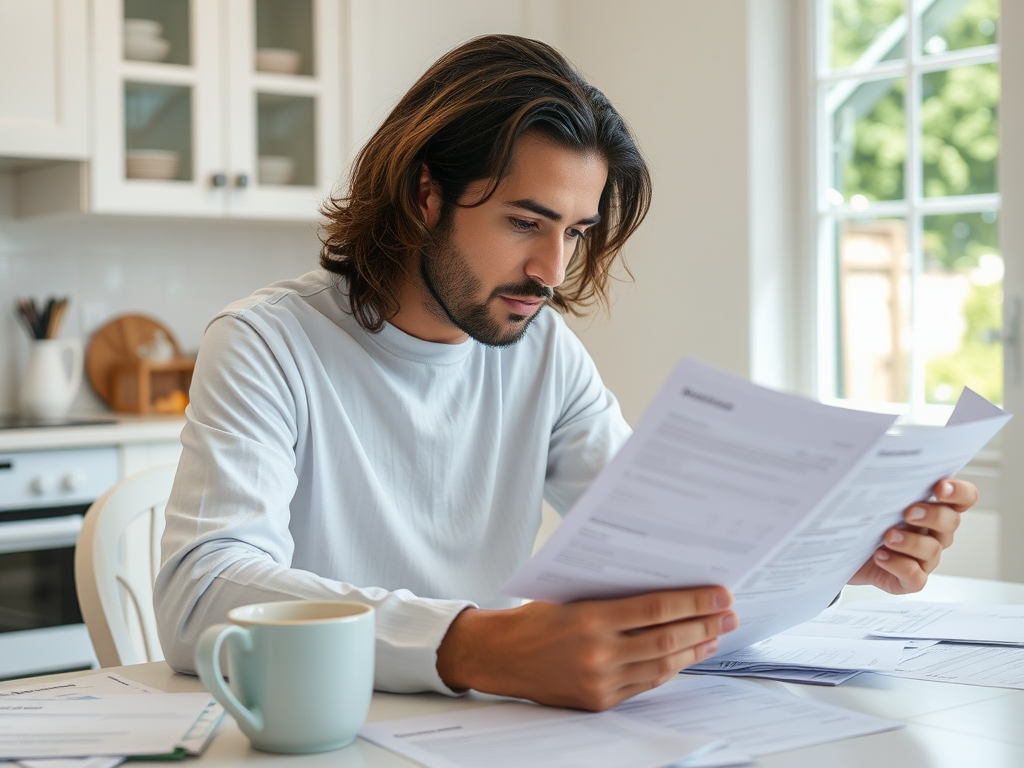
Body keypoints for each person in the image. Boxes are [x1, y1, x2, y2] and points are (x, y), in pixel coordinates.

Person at [154, 34, 979, 712]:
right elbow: (202, 592)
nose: (551, 269)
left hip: (494, 736)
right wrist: (476, 643)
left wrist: (833, 554)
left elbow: (665, 550)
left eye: (577, 232)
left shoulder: (542, 354)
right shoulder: (266, 343)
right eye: (526, 221)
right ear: (424, 194)